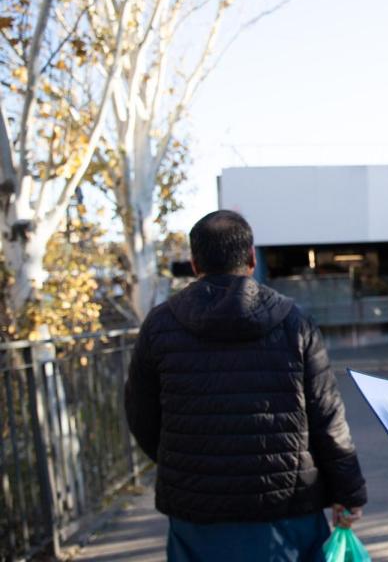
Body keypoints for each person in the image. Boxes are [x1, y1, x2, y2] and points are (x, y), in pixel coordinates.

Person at [125, 210, 367, 561]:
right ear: (252, 258)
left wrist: (180, 461)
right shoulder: (293, 320)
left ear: (194, 264)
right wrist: (349, 492)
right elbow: (327, 417)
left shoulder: (160, 325)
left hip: (196, 509)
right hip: (287, 507)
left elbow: (140, 413)